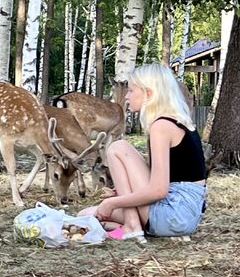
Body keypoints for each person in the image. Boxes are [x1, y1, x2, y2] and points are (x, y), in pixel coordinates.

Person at [79, 63, 207, 243]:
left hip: (172, 214)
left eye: (131, 91)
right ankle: (130, 227)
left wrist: (113, 203)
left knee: (118, 147)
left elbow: (158, 190)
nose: (127, 97)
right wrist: (122, 193)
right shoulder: (177, 122)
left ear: (148, 93)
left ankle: (132, 226)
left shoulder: (161, 127)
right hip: (184, 215)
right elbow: (163, 176)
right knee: (85, 215)